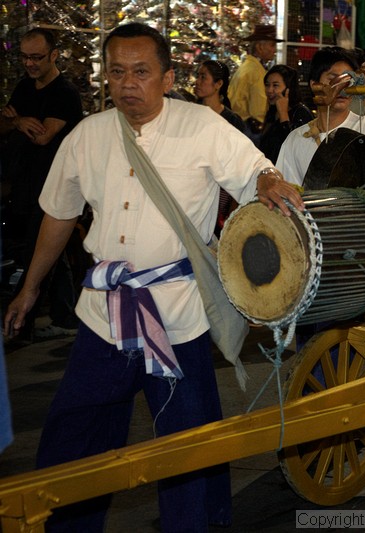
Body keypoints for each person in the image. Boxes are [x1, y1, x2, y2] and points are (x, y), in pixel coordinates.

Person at [2, 22, 303, 532]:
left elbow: (255, 169)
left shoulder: (203, 128)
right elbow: (58, 213)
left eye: (141, 72)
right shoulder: (87, 136)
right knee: (75, 438)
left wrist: (271, 180)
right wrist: (29, 289)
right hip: (103, 317)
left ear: (166, 77)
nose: (128, 84)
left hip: (177, 316)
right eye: (118, 72)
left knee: (189, 445)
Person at [0, 28, 83, 341]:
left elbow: (44, 135)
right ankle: (65, 316)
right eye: (24, 57)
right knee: (49, 251)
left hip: (54, 187)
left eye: (36, 57)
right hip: (25, 183)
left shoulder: (64, 93)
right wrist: (18, 122)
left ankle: (19, 324)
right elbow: (4, 125)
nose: (29, 64)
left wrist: (16, 121)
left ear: (53, 55)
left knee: (39, 248)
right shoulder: (24, 87)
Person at [276, 46, 365, 187]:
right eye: (334, 79)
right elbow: (288, 191)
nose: (342, 88)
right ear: (315, 85)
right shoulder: (297, 138)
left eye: (348, 80)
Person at [193, 59, 246, 234]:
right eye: (198, 76)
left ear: (218, 84)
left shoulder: (232, 121)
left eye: (203, 77)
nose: (197, 82)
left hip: (221, 193)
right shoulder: (190, 114)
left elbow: (240, 163)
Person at [228, 24, 281, 141]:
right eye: (272, 45)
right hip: (250, 129)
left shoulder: (249, 67)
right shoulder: (256, 71)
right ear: (260, 47)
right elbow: (259, 110)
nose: (275, 50)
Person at [258, 64, 313, 163]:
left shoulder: (301, 113)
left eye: (275, 85)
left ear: (288, 89)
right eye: (267, 85)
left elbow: (296, 150)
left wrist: (284, 115)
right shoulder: (273, 111)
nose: (269, 90)